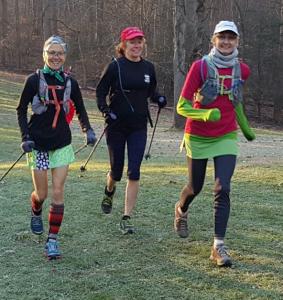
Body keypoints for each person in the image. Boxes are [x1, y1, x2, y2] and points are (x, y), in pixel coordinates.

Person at [174, 21, 255, 267]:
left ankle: (218, 245)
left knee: (223, 187)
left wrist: (246, 128)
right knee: (195, 187)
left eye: (231, 37)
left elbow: (235, 101)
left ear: (237, 41)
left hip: (226, 136)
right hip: (198, 135)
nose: (226, 42)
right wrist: (206, 114)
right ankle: (180, 209)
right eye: (222, 37)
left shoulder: (242, 70)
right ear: (214, 40)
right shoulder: (200, 68)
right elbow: (181, 106)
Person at [16, 35, 96, 260]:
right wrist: (25, 137)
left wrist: (87, 129)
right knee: (41, 194)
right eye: (51, 52)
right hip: (38, 145)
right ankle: (36, 208)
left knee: (58, 192)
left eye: (59, 53)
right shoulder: (34, 80)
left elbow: (80, 108)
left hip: (61, 144)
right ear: (44, 54)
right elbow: (21, 110)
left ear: (65, 56)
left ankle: (52, 240)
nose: (55, 56)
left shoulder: (70, 82)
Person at [96, 26, 166, 234]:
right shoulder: (114, 66)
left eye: (139, 41)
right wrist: (106, 111)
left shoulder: (148, 68)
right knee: (116, 172)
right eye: (132, 41)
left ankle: (126, 217)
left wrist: (159, 98)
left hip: (138, 126)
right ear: (124, 44)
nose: (136, 45)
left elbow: (151, 92)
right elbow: (100, 93)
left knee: (134, 172)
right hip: (116, 126)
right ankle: (109, 190)